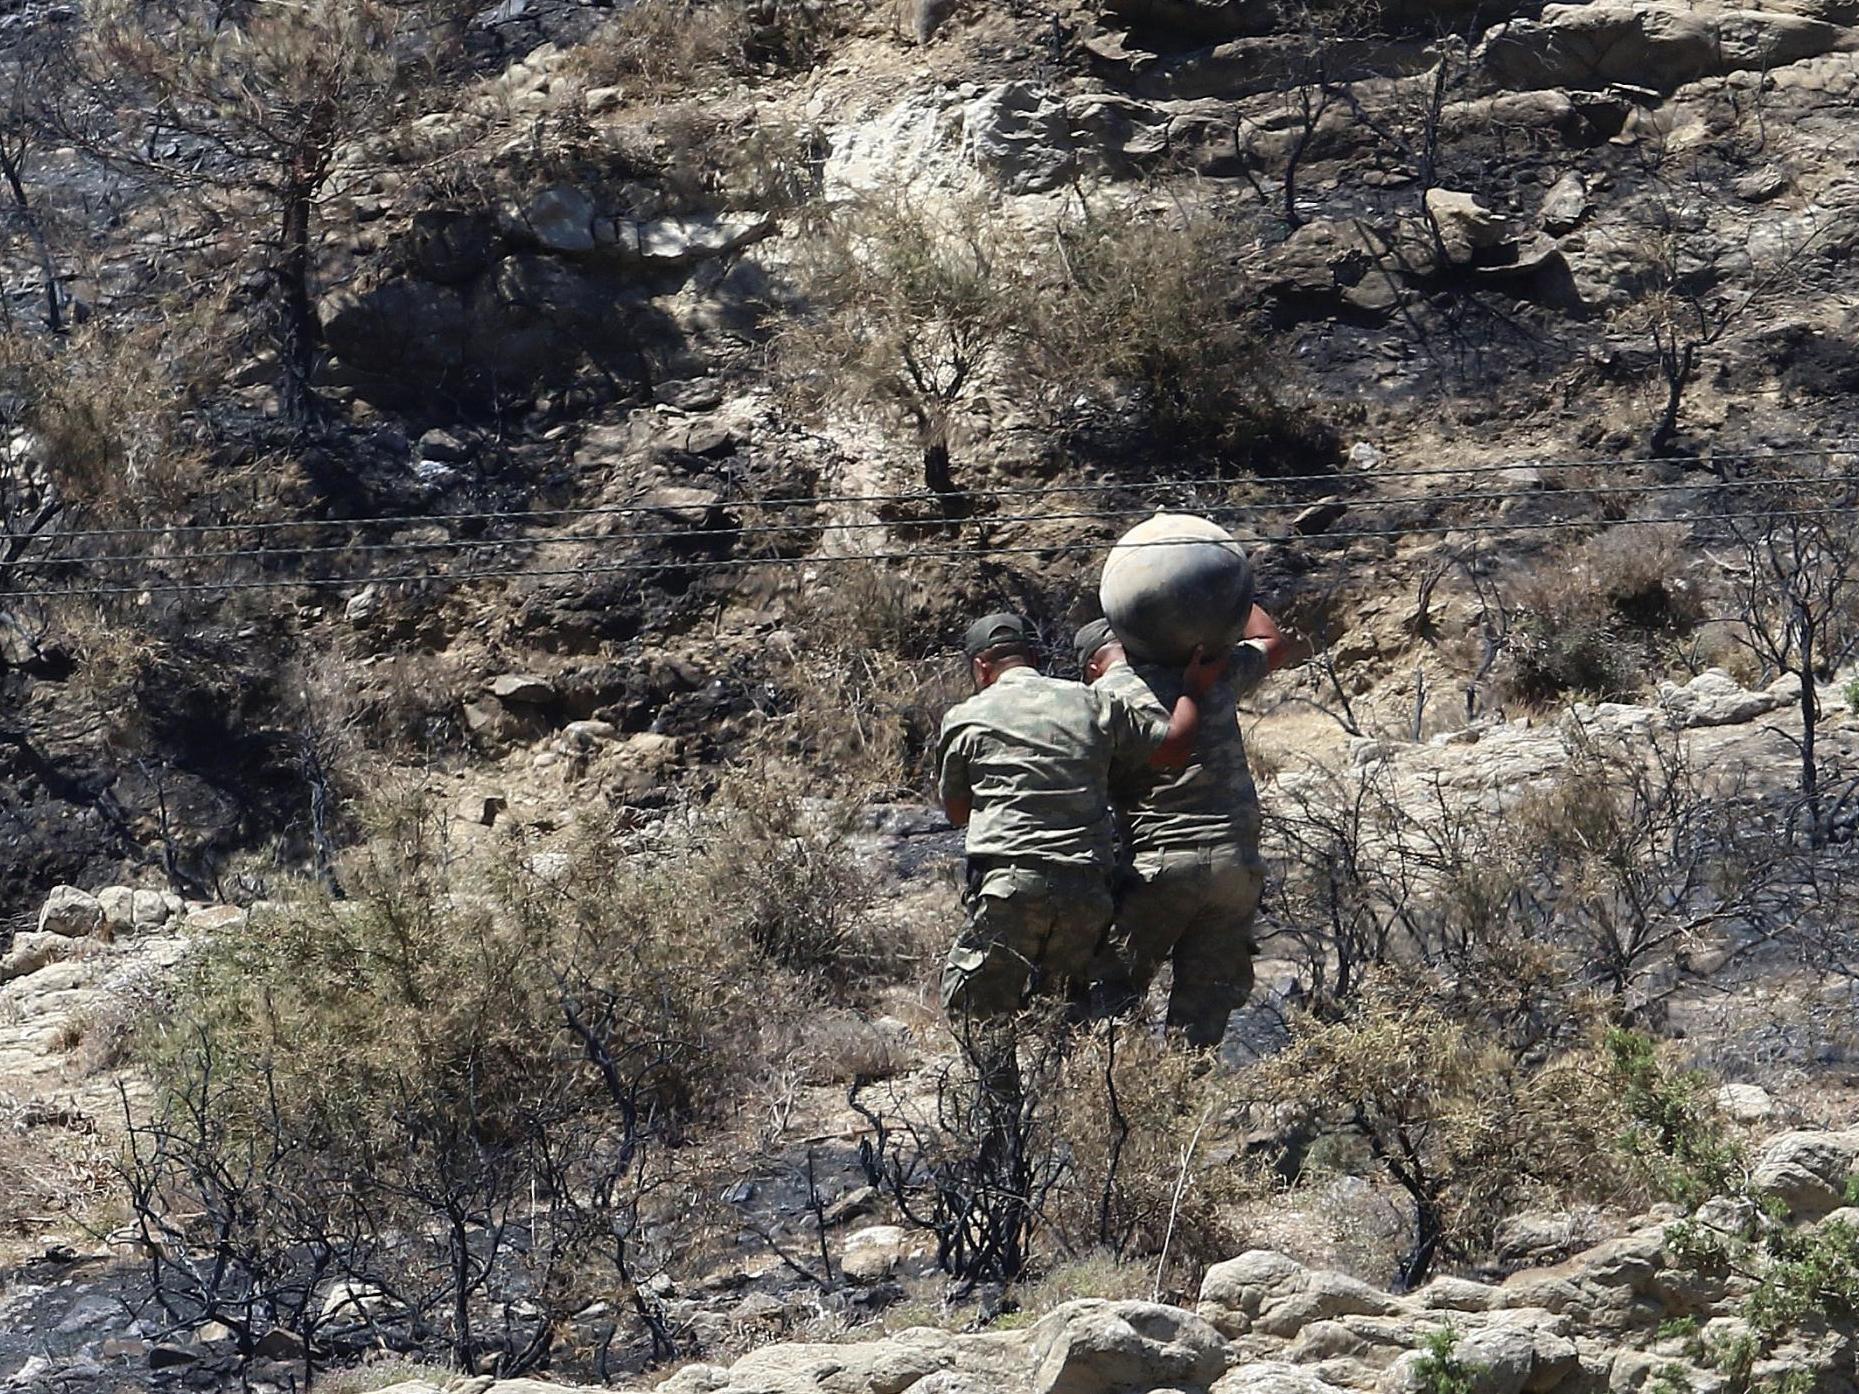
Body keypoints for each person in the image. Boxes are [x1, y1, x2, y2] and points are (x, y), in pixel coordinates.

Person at [936, 612, 1226, 1025]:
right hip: (1087, 889)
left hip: (1010, 885)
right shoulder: (1091, 701)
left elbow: (957, 811)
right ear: (1033, 656)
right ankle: (1068, 1087)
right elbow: (1174, 748)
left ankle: (1000, 1092)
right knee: (1066, 1009)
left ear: (981, 666)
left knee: (977, 1007)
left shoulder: (965, 716)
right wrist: (1193, 690)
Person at [1075, 603, 1294, 1049]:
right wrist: (1225, 589)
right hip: (1237, 868)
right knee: (1203, 1015)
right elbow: (1273, 642)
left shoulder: (1101, 698)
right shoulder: (1213, 671)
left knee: (1110, 999)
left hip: (1160, 870)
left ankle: (1119, 1102)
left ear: (1092, 666)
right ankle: (1189, 1105)